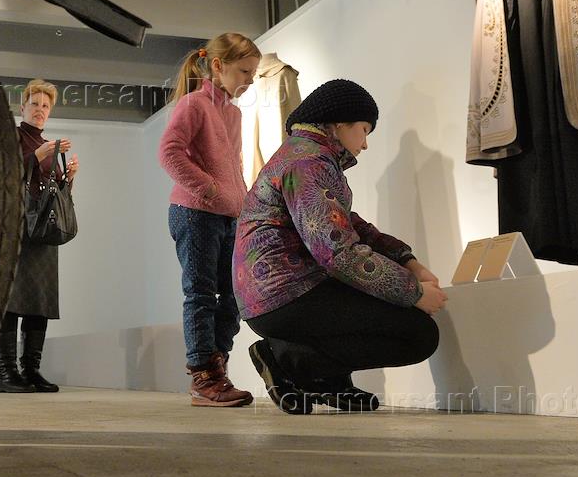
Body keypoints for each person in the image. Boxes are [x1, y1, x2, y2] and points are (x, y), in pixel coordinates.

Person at [234, 79, 445, 414]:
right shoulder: (309, 163)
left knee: (366, 301)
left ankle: (326, 380)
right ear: (339, 123)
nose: (365, 144)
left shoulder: (306, 155)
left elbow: (350, 224)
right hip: (286, 295)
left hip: (274, 293)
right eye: (364, 130)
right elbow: (338, 253)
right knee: (418, 334)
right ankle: (289, 361)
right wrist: (414, 292)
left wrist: (408, 261)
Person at [158, 33, 261, 407]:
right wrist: (209, 189)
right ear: (218, 66)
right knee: (200, 293)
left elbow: (234, 164)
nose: (249, 80)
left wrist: (243, 205)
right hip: (194, 213)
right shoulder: (194, 104)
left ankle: (216, 368)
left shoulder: (233, 113)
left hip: (228, 217)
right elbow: (169, 152)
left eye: (253, 73)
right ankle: (204, 376)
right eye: (244, 71)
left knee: (234, 295)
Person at [0, 79, 79, 394]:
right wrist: (36, 155)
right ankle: (6, 373)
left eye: (45, 106)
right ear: (23, 108)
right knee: (11, 300)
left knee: (39, 302)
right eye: (35, 104)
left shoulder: (48, 145)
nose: (40, 110)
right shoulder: (12, 137)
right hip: (15, 230)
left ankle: (31, 369)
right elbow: (3, 175)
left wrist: (68, 178)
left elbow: (49, 193)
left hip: (42, 234)